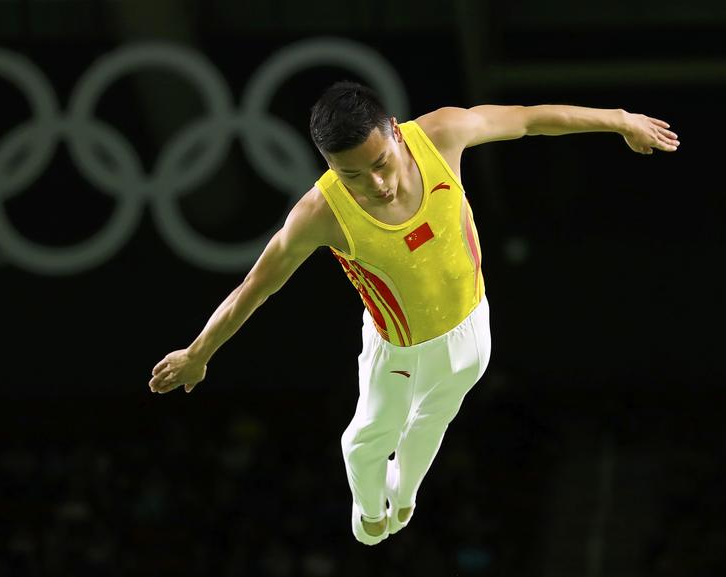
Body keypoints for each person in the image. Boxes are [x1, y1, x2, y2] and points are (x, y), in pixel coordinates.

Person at [148, 81, 679, 545]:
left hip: (472, 329)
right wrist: (199, 354)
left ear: (397, 133)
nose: (376, 185)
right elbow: (254, 288)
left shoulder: (442, 135)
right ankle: (369, 508)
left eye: (381, 163)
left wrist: (620, 121)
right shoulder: (320, 212)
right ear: (330, 167)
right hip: (395, 350)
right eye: (352, 175)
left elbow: (530, 119)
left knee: (432, 421)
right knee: (365, 440)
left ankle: (404, 498)